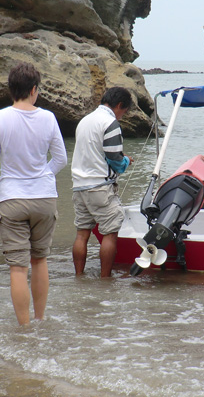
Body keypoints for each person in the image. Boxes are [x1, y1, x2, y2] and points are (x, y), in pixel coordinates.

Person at [0, 62, 67, 325]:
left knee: (18, 268)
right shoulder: (48, 118)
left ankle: (24, 329)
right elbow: (60, 159)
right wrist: (43, 174)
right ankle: (40, 319)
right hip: (45, 198)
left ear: (11, 89)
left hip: (12, 199)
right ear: (34, 89)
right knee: (40, 260)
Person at [71, 87, 133, 278]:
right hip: (99, 187)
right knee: (110, 232)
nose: (123, 115)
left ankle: (79, 276)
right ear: (120, 105)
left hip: (79, 186)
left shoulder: (84, 121)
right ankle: (105, 279)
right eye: (124, 111)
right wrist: (126, 162)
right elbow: (114, 157)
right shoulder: (110, 123)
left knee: (82, 234)